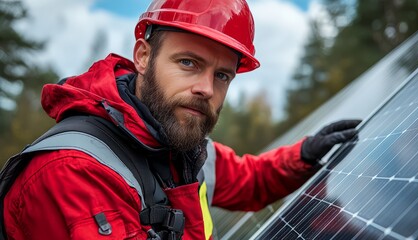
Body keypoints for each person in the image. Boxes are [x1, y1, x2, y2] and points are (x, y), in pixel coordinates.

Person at [2, 0, 361, 239]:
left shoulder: (178, 145)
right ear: (143, 56)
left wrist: (306, 155)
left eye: (222, 76)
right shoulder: (74, 172)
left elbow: (250, 179)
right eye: (188, 63)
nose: (206, 88)